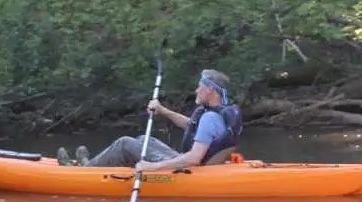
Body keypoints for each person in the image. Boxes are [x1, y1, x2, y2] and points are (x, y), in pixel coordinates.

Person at [56, 69, 243, 171]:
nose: (196, 90)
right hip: (197, 164)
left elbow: (194, 159)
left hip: (191, 170)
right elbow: (192, 126)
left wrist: (152, 166)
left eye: (199, 87)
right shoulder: (217, 114)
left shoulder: (210, 117)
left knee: (124, 144)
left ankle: (85, 171)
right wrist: (163, 111)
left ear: (210, 90)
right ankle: (96, 165)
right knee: (144, 140)